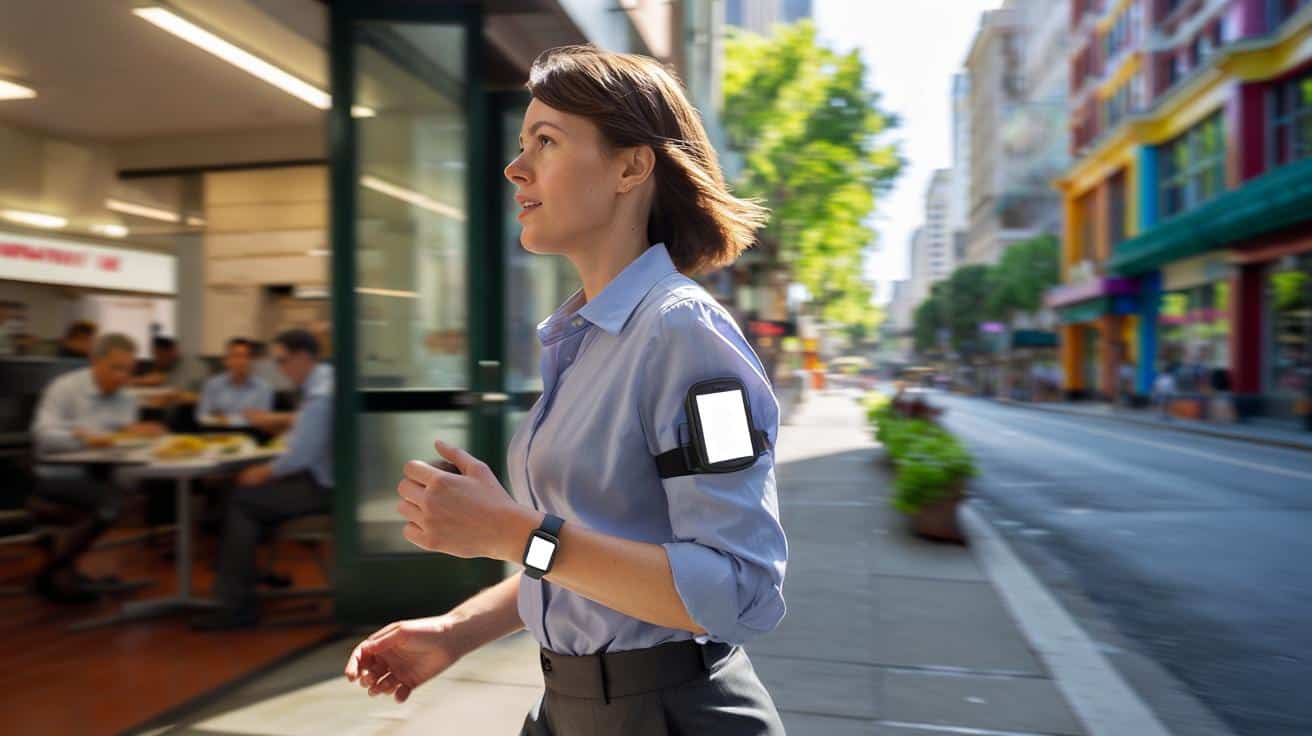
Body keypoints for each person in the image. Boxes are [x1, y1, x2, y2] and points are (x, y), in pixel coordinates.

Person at [344, 45, 787, 735]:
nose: (515, 167)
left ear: (632, 165)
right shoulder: (582, 341)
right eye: (523, 144)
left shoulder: (686, 338)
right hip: (566, 710)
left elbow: (738, 591)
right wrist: (456, 630)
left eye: (546, 141)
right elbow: (582, 557)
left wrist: (511, 530)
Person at [192, 328, 334, 630]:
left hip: (325, 487)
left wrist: (265, 470)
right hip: (326, 479)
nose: (281, 369)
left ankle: (236, 608)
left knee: (242, 501)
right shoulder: (323, 383)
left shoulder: (320, 393)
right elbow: (305, 439)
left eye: (283, 361)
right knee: (246, 496)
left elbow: (302, 454)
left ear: (303, 357)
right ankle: (246, 579)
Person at [28, 333, 166, 603]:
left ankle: (59, 570)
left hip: (98, 474)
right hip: (55, 473)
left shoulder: (126, 399)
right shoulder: (65, 388)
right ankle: (51, 574)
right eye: (115, 368)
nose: (122, 377)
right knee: (110, 504)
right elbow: (42, 436)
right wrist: (81, 437)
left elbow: (118, 443)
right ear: (94, 361)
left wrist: (140, 435)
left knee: (128, 491)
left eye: (128, 370)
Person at [195, 337, 274, 426]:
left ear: (252, 360)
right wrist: (243, 419)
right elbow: (202, 416)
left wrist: (226, 420)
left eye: (246, 356)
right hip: (216, 434)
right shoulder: (212, 384)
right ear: (226, 360)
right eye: (236, 356)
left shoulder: (264, 388)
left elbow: (262, 421)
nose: (241, 361)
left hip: (251, 436)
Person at [132, 336, 207, 392]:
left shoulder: (195, 367)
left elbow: (180, 389)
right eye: (155, 355)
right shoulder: (162, 366)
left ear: (173, 351)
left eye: (160, 355)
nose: (157, 360)